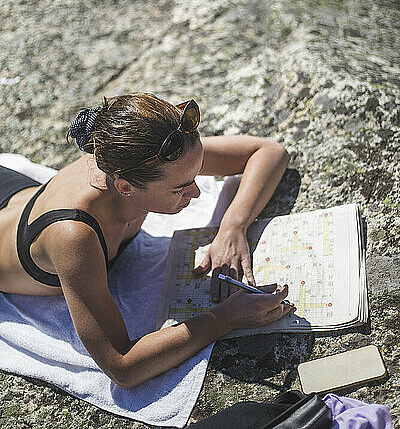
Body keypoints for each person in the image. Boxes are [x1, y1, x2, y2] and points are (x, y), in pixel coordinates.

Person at [0, 92, 293, 388]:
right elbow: (122, 366)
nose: (197, 193)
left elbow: (268, 151)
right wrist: (224, 319)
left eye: (196, 174)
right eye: (180, 189)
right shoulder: (74, 236)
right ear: (125, 187)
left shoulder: (138, 154)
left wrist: (233, 226)